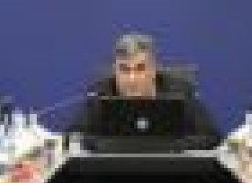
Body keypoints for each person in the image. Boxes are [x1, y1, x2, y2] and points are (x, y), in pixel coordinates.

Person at [68, 32, 220, 148]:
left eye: (140, 68)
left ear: (153, 70)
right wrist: (111, 145)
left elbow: (211, 136)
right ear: (115, 71)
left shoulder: (180, 90)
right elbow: (73, 136)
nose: (132, 78)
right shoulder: (100, 92)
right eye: (124, 69)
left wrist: (169, 145)